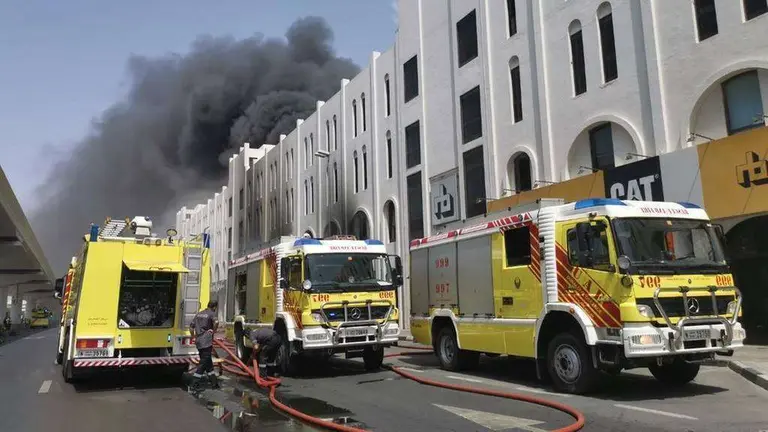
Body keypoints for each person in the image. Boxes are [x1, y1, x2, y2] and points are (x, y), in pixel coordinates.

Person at [189, 300, 219, 389]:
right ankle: (194, 383)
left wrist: (193, 336)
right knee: (203, 363)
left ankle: (214, 383)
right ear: (214, 307)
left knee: (208, 361)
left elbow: (191, 327)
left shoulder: (199, 314)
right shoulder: (211, 313)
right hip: (206, 341)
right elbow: (216, 322)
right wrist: (213, 331)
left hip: (199, 341)